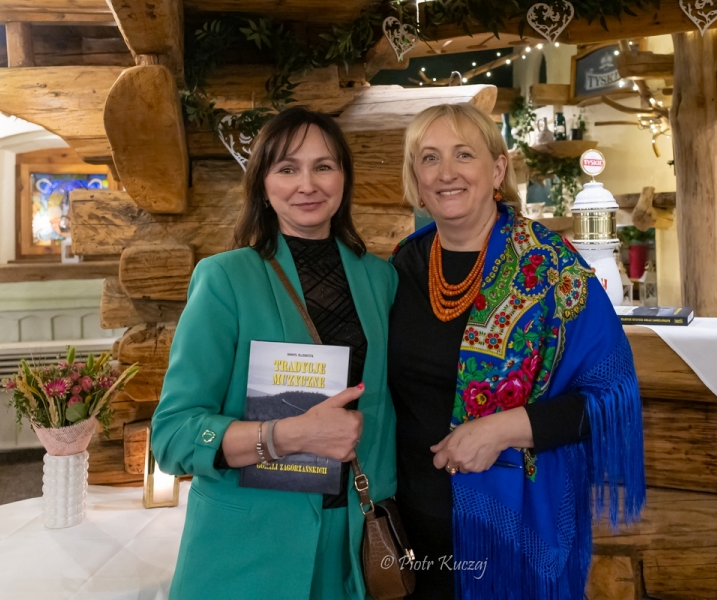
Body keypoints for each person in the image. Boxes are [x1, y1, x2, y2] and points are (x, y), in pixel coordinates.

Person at [388, 102, 645, 599]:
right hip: (409, 535)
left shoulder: (553, 268)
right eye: (429, 158)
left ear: (497, 169)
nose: (446, 172)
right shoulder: (402, 264)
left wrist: (500, 429)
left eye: (464, 154)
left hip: (514, 535)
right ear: (416, 177)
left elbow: (612, 398)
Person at [151, 107, 398, 600]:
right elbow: (173, 437)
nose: (308, 184)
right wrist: (288, 436)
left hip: (354, 544)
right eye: (287, 168)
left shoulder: (381, 279)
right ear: (263, 185)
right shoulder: (224, 279)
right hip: (247, 551)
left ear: (344, 179)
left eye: (323, 166)